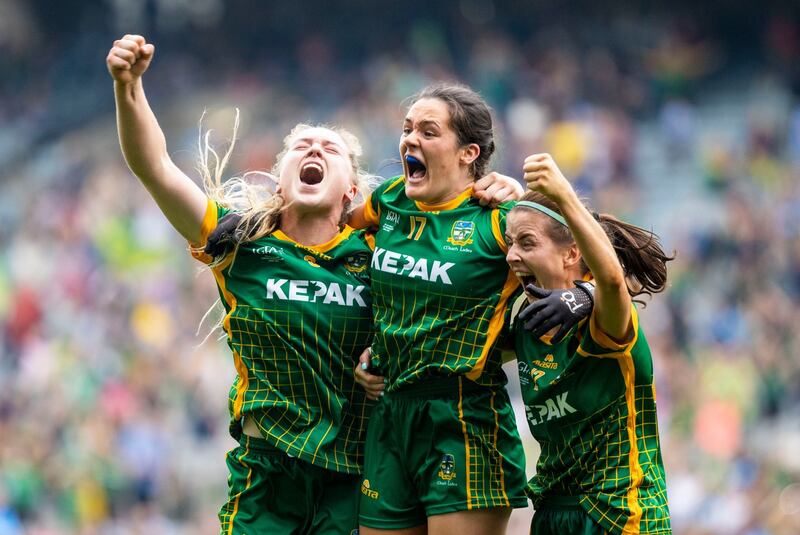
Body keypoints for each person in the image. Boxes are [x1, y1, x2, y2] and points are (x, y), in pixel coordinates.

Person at [107, 34, 377, 535]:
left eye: (330, 149)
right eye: (301, 146)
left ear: (353, 191)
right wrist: (129, 88)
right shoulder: (240, 242)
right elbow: (157, 169)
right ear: (280, 181)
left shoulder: (381, 257)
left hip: (354, 481)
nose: (313, 149)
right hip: (266, 480)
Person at [350, 83, 535, 535]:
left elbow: (576, 267)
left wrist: (521, 192)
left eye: (428, 132)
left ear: (469, 152)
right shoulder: (388, 201)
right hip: (390, 412)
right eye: (407, 129)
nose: (410, 139)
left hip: (463, 419)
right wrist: (367, 352)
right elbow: (330, 243)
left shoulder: (501, 219)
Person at [504, 153, 673, 534]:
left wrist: (564, 194)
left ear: (572, 254)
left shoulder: (605, 322)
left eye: (527, 243)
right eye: (511, 243)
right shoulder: (525, 329)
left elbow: (612, 283)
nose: (513, 255)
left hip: (620, 513)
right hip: (551, 513)